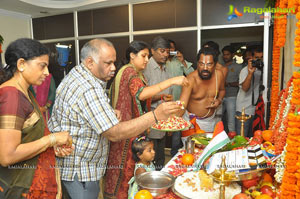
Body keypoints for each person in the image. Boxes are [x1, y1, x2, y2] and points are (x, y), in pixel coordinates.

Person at [48, 39, 182, 199]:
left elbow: (82, 109)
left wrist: (109, 111)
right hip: (80, 168)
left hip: (77, 164)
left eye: (114, 62)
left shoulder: (80, 75)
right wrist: (155, 115)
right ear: (90, 62)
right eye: (108, 63)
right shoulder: (89, 87)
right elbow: (113, 133)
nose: (113, 68)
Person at [104, 40, 188, 199]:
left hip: (132, 128)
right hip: (126, 131)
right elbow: (141, 94)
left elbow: (141, 98)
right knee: (126, 170)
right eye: (143, 56)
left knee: (133, 169)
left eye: (148, 56)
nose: (146, 60)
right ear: (131, 55)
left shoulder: (136, 73)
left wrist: (161, 97)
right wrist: (172, 81)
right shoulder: (129, 71)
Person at [0, 38, 73, 199]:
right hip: (21, 187)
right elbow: (7, 156)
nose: (47, 73)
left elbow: (26, 138)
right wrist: (51, 140)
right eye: (42, 66)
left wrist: (51, 149)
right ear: (21, 64)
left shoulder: (24, 92)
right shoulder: (12, 95)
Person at [179, 47, 225, 134]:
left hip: (210, 121)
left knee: (209, 147)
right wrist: (172, 123)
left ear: (215, 64)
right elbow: (182, 105)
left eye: (209, 64)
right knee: (191, 147)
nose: (205, 68)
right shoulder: (190, 79)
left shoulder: (219, 75)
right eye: (201, 64)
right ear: (197, 63)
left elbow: (222, 90)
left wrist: (219, 100)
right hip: (191, 122)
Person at [143, 36, 173, 170]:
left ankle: (159, 178)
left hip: (163, 120)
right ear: (152, 51)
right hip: (150, 120)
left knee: (160, 155)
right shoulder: (146, 68)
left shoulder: (165, 68)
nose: (165, 54)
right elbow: (142, 97)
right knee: (149, 156)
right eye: (162, 51)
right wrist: (161, 97)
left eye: (167, 51)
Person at [166, 39, 194, 157]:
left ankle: (175, 155)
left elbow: (192, 74)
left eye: (173, 48)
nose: (171, 51)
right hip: (164, 101)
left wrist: (183, 62)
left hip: (178, 102)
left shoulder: (179, 61)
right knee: (162, 129)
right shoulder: (162, 62)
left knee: (177, 131)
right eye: (169, 49)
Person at [236, 47, 263, 137]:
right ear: (251, 58)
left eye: (261, 57)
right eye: (257, 57)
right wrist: (250, 73)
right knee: (242, 137)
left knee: (252, 138)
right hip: (243, 109)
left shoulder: (262, 70)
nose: (259, 60)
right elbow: (245, 88)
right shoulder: (244, 71)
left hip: (255, 110)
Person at [221, 45, 242, 133]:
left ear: (232, 55)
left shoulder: (238, 67)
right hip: (220, 97)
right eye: (224, 54)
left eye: (227, 54)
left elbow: (241, 83)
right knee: (218, 119)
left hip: (232, 96)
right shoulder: (219, 66)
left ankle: (232, 140)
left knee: (231, 120)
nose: (225, 56)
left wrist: (229, 84)